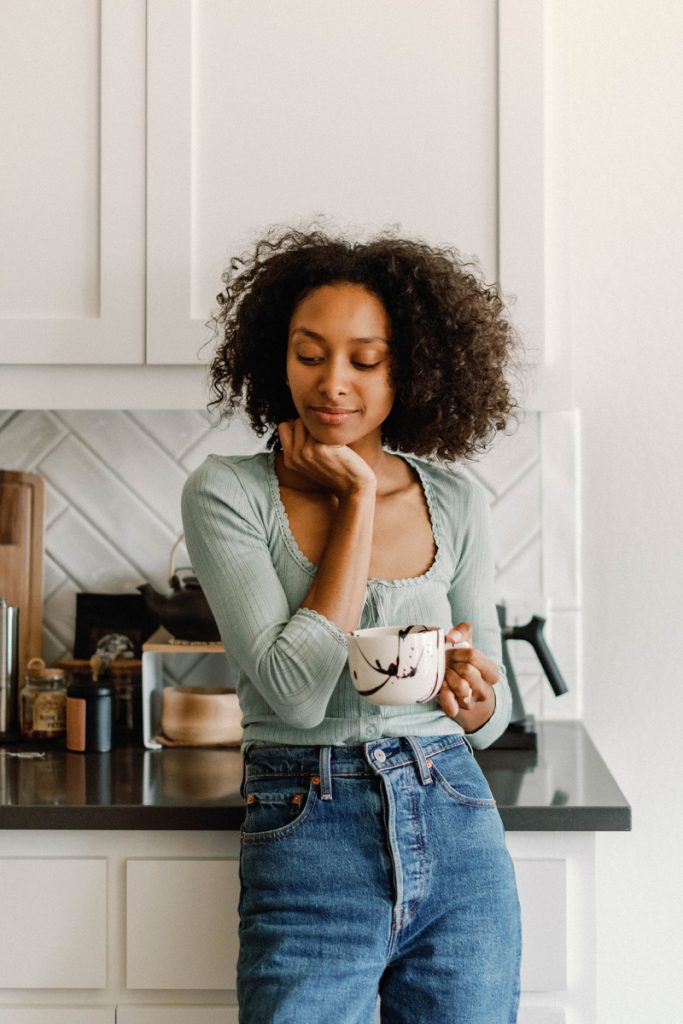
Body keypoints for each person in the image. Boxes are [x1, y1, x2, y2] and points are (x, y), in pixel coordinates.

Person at [181, 226, 523, 1023]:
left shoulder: (457, 500)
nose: (332, 383)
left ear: (412, 368)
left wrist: (474, 702)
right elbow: (296, 698)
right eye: (309, 355)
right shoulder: (227, 493)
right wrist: (357, 505)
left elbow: (492, 715)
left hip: (456, 818)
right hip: (306, 824)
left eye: (364, 360)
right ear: (277, 356)